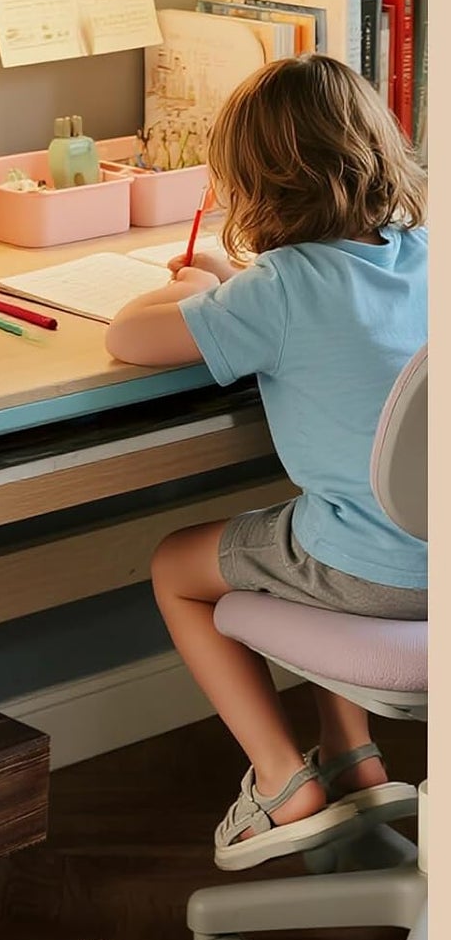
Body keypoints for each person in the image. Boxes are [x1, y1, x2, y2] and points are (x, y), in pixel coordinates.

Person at [104, 55, 427, 872]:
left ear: (252, 186)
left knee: (175, 563)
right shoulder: (428, 253)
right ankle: (349, 751)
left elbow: (127, 337)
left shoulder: (277, 287)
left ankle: (283, 779)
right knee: (325, 516)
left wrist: (198, 280)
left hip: (376, 575)